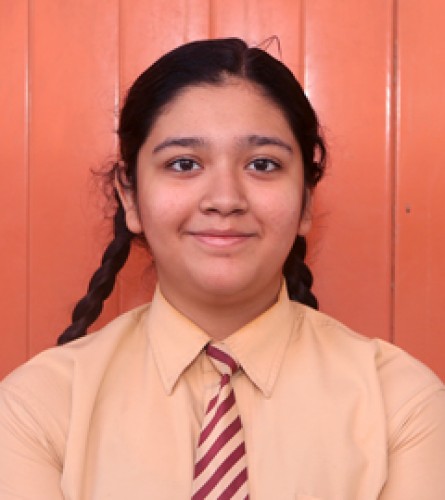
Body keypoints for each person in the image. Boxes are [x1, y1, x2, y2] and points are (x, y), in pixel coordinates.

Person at [0, 38, 444, 500]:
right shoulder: (38, 410)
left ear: (307, 199)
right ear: (130, 196)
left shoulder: (402, 406)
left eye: (263, 164)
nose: (225, 199)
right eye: (184, 164)